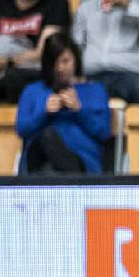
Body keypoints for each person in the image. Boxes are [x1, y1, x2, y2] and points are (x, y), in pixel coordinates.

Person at [15, 32, 112, 174]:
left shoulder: (95, 90)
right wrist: (44, 113)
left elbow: (103, 132)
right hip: (38, 161)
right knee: (46, 138)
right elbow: (22, 129)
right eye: (54, 63)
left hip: (81, 162)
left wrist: (79, 110)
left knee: (49, 140)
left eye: (65, 61)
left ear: (75, 59)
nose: (60, 68)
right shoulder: (32, 91)